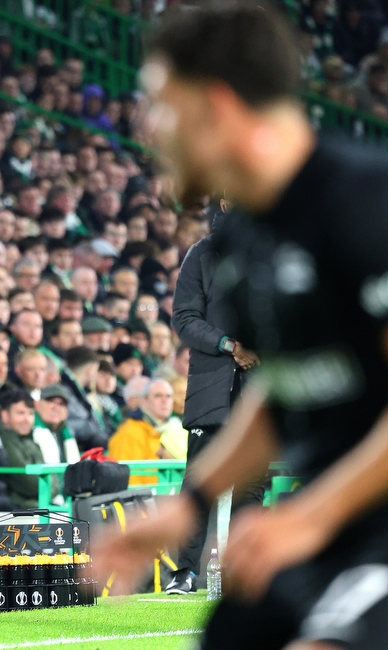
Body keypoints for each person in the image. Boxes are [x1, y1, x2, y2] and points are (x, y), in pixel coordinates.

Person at [95, 7, 388, 649]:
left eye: (160, 105)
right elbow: (282, 386)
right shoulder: (238, 238)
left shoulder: (372, 204)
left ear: (217, 106)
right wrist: (189, 505)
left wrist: (312, 516)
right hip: (337, 524)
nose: (149, 128)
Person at [165, 201, 262, 595]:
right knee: (200, 480)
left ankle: (245, 569)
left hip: (259, 388)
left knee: (252, 486)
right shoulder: (202, 254)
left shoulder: (269, 251)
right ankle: (185, 571)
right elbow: (184, 318)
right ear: (224, 202)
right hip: (213, 388)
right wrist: (229, 344)